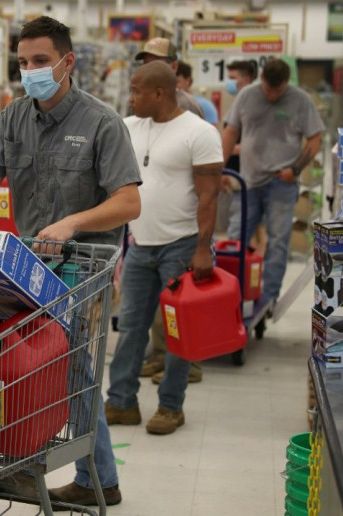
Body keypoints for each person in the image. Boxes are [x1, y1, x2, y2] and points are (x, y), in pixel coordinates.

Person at [0, 16, 141, 507]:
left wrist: (73, 222)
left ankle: (97, 479)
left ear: (68, 62)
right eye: (24, 62)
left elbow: (128, 202)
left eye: (41, 61)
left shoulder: (101, 122)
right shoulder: (13, 117)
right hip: (27, 268)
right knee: (22, 366)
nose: (30, 71)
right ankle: (29, 465)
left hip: (82, 269)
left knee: (71, 371)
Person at [105, 61, 223, 435]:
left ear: (159, 93)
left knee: (178, 333)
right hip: (140, 245)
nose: (131, 97)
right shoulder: (127, 127)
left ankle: (171, 406)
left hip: (183, 246)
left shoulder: (199, 133)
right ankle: (121, 401)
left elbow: (209, 197)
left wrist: (203, 249)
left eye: (136, 90)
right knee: (130, 328)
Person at [221, 58, 324, 306]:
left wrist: (295, 169)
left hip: (282, 184)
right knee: (236, 238)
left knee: (278, 240)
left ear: (287, 83)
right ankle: (228, 292)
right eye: (268, 88)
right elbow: (230, 132)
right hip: (248, 182)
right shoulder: (247, 96)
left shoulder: (300, 100)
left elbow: (315, 139)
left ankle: (269, 297)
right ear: (262, 80)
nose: (272, 94)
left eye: (278, 90)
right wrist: (221, 168)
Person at [134, 39, 207, 386]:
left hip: (179, 234)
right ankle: (160, 356)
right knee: (148, 316)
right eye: (144, 60)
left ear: (173, 68)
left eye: (155, 61)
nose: (147, 65)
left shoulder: (188, 110)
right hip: (145, 234)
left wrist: (202, 244)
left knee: (175, 312)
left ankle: (182, 365)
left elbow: (201, 183)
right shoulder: (140, 111)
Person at [134, 37, 204, 118]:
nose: (150, 69)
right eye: (146, 64)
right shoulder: (137, 103)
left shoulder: (186, 105)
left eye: (157, 64)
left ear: (174, 67)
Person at [224, 60, 258, 174]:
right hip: (231, 169)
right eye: (229, 78)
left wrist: (230, 148)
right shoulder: (237, 103)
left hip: (245, 171)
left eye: (233, 78)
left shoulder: (253, 106)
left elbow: (258, 142)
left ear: (247, 80)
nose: (230, 82)